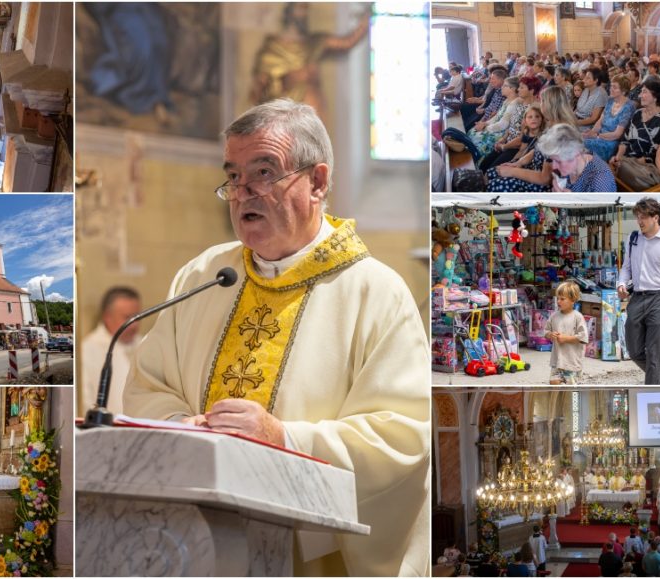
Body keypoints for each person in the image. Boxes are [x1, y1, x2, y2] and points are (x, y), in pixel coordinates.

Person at [122, 98, 429, 576]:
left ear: (318, 182)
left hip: (306, 558)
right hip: (193, 540)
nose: (243, 193)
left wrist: (283, 438)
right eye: (233, 176)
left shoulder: (376, 293)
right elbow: (148, 387)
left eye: (264, 173)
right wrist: (185, 427)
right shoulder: (202, 275)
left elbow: (405, 437)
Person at [617, 197, 660, 384]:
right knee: (633, 350)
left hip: (659, 298)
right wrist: (621, 284)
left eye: (644, 217)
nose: (640, 221)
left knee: (654, 353)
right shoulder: (633, 239)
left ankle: (652, 388)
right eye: (638, 217)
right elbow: (626, 267)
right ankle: (659, 376)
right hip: (637, 298)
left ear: (656, 217)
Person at [79, 287, 142, 416]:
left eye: (137, 317)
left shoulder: (146, 344)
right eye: (127, 317)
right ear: (107, 316)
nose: (134, 324)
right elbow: (84, 403)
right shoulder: (86, 351)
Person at [611, 79, 660, 191]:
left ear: (655, 97)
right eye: (641, 92)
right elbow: (625, 139)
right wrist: (618, 157)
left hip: (642, 166)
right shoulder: (638, 113)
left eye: (644, 92)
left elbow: (654, 153)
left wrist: (626, 163)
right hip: (626, 160)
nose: (640, 96)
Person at [538, 124, 617, 192]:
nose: (554, 167)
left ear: (576, 154)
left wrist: (571, 202)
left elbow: (604, 206)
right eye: (552, 160)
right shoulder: (571, 166)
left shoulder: (600, 180)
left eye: (558, 161)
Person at [583, 74, 636, 161]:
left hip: (611, 142)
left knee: (579, 146)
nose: (611, 89)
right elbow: (600, 122)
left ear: (623, 91)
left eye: (614, 87)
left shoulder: (629, 107)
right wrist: (591, 133)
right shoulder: (610, 100)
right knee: (578, 139)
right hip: (599, 136)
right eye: (611, 86)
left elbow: (617, 134)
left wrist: (596, 135)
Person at [546, 281, 589, 384]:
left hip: (572, 362)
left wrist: (566, 338)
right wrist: (550, 334)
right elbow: (546, 331)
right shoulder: (554, 316)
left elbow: (583, 337)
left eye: (562, 299)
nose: (558, 301)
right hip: (557, 360)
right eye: (557, 298)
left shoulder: (577, 317)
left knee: (570, 388)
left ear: (573, 300)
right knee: (553, 383)